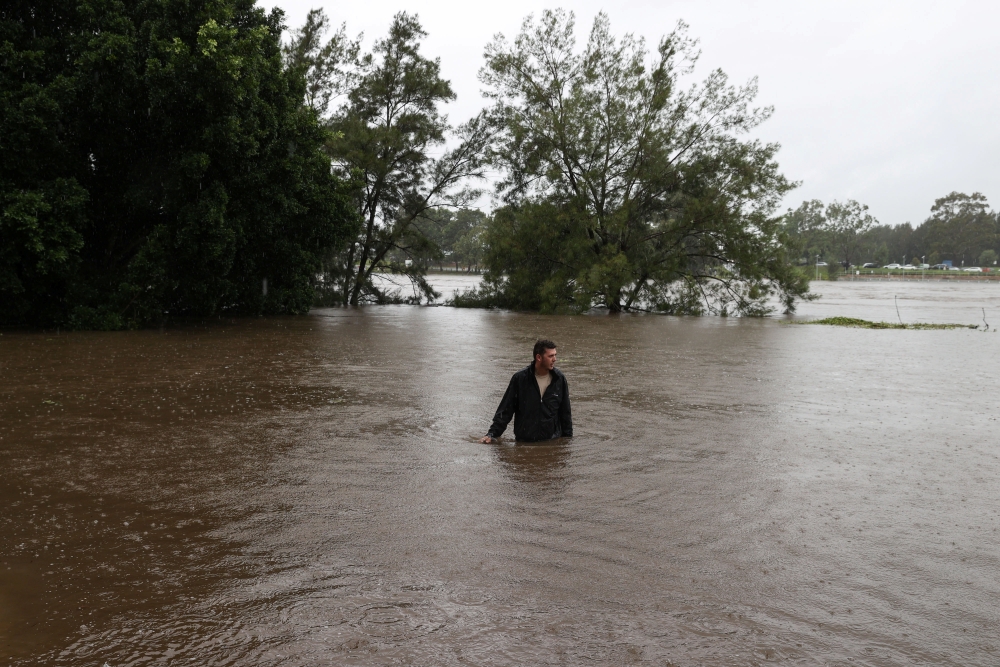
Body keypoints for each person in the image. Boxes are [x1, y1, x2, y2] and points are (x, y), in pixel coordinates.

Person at [479, 339, 573, 444]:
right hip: (524, 443)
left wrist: (568, 443)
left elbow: (565, 413)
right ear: (539, 357)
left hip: (552, 443)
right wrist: (492, 434)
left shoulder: (559, 379)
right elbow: (506, 410)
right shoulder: (520, 379)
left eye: (555, 355)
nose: (555, 359)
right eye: (550, 356)